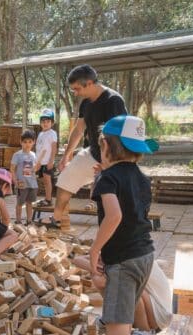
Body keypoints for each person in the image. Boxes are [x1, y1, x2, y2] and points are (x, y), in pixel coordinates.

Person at [79, 115, 158, 335]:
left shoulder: (109, 180)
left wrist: (94, 250)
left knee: (119, 330)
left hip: (123, 261)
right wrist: (102, 179)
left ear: (105, 145)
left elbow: (112, 215)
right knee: (121, 322)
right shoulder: (139, 177)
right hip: (144, 255)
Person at [40, 65, 128, 229]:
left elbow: (119, 137)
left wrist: (107, 164)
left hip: (115, 158)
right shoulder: (86, 103)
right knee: (65, 178)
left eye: (77, 89)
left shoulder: (113, 101)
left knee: (107, 195)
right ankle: (56, 218)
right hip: (93, 152)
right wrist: (66, 155)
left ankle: (114, 229)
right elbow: (79, 129)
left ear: (89, 83)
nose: (75, 93)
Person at [73, 256, 172, 335]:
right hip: (148, 306)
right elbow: (77, 259)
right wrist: (99, 268)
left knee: (121, 284)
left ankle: (145, 332)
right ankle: (112, 316)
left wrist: (97, 269)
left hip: (158, 317)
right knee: (103, 276)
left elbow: (102, 282)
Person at [10, 130, 38, 225]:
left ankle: (29, 221)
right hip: (22, 184)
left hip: (32, 184)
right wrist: (15, 182)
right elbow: (12, 169)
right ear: (21, 142)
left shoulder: (34, 155)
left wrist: (36, 169)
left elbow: (34, 169)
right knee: (20, 203)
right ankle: (18, 221)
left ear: (33, 142)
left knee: (29, 203)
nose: (27, 144)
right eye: (25, 142)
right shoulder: (17, 155)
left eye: (30, 142)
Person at [35, 108, 59, 206]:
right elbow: (39, 148)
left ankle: (49, 200)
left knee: (47, 181)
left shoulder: (52, 133)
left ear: (52, 123)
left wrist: (51, 161)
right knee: (44, 181)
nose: (45, 123)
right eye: (43, 121)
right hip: (41, 162)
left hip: (48, 162)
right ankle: (46, 198)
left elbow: (54, 148)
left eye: (48, 121)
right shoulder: (41, 134)